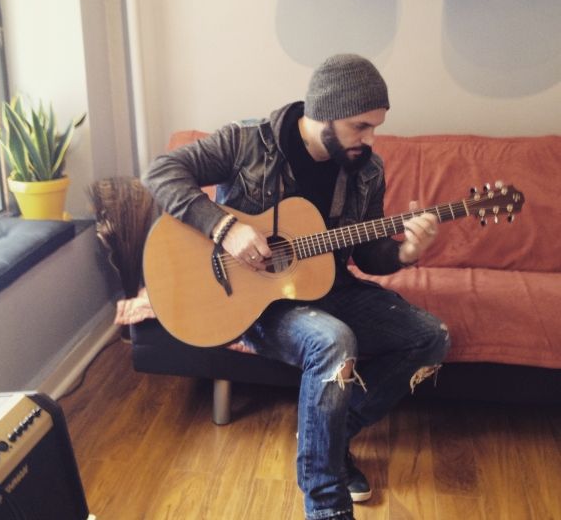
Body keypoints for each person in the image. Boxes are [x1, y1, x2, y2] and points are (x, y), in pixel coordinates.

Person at [143, 53, 450, 520]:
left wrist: (406, 252)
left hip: (330, 288)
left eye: (375, 127)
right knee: (334, 341)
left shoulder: (367, 170)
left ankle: (328, 436)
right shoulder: (248, 142)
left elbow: (368, 256)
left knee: (431, 337)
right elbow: (160, 172)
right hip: (255, 302)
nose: (370, 139)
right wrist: (224, 228)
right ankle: (327, 506)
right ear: (323, 112)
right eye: (360, 126)